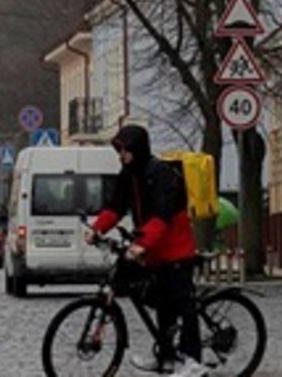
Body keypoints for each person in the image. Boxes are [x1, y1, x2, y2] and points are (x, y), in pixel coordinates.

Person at [89, 125, 206, 377]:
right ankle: (166, 356)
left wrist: (141, 244)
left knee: (183, 303)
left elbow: (162, 216)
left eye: (125, 150)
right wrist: (97, 229)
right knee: (163, 304)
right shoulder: (128, 175)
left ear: (137, 149)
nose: (121, 155)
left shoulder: (161, 174)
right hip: (155, 251)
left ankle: (193, 360)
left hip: (176, 248)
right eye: (119, 151)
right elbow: (115, 207)